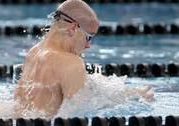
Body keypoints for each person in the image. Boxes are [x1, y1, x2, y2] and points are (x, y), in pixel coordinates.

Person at [14, 0, 153, 118]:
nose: (88, 45)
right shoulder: (71, 63)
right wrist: (131, 99)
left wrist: (128, 93)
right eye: (89, 37)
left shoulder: (34, 52)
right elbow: (80, 112)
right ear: (73, 28)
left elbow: (20, 105)